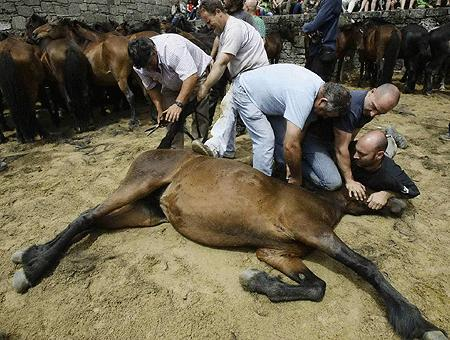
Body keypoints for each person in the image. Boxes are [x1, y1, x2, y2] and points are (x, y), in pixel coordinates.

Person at [233, 64, 351, 184]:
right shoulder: (303, 96)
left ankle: (278, 166)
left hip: (269, 98)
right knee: (265, 139)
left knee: (284, 139)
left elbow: (301, 129)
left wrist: (291, 163)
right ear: (322, 101)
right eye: (325, 113)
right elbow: (290, 145)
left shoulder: (321, 89)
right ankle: (260, 184)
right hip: (246, 91)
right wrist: (296, 177)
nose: (323, 117)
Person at [192, 0, 269, 158]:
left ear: (219, 12)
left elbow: (222, 63)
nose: (208, 25)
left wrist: (204, 87)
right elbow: (218, 48)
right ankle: (227, 150)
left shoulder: (234, 28)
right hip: (244, 76)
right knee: (230, 107)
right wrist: (211, 58)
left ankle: (215, 147)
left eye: (209, 21)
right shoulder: (224, 29)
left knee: (228, 104)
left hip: (253, 75)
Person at [302, 83, 402, 198]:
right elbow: (340, 148)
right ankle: (293, 163)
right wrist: (350, 181)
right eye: (374, 107)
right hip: (314, 139)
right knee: (333, 182)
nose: (373, 114)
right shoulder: (352, 107)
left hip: (331, 141)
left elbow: (352, 134)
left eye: (380, 112)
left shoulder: (368, 107)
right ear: (372, 91)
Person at [128, 34, 212, 148]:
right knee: (170, 117)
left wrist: (178, 104)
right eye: (144, 67)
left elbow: (191, 77)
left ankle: (199, 146)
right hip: (170, 82)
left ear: (154, 51)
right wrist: (159, 109)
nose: (148, 69)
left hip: (195, 76)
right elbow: (151, 87)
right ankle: (175, 152)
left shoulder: (173, 49)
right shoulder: (139, 66)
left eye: (149, 64)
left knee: (199, 115)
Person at [351, 130, 419, 211]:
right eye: (356, 150)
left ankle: (390, 135)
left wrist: (387, 194)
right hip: (374, 157)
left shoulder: (391, 174)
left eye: (362, 154)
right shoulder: (352, 151)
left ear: (379, 155)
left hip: (381, 158)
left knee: (389, 149)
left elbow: (413, 191)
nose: (355, 156)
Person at [302, 0, 341, 81]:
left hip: (324, 49)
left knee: (317, 84)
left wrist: (305, 27)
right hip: (320, 48)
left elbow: (315, 24)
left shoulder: (331, 1)